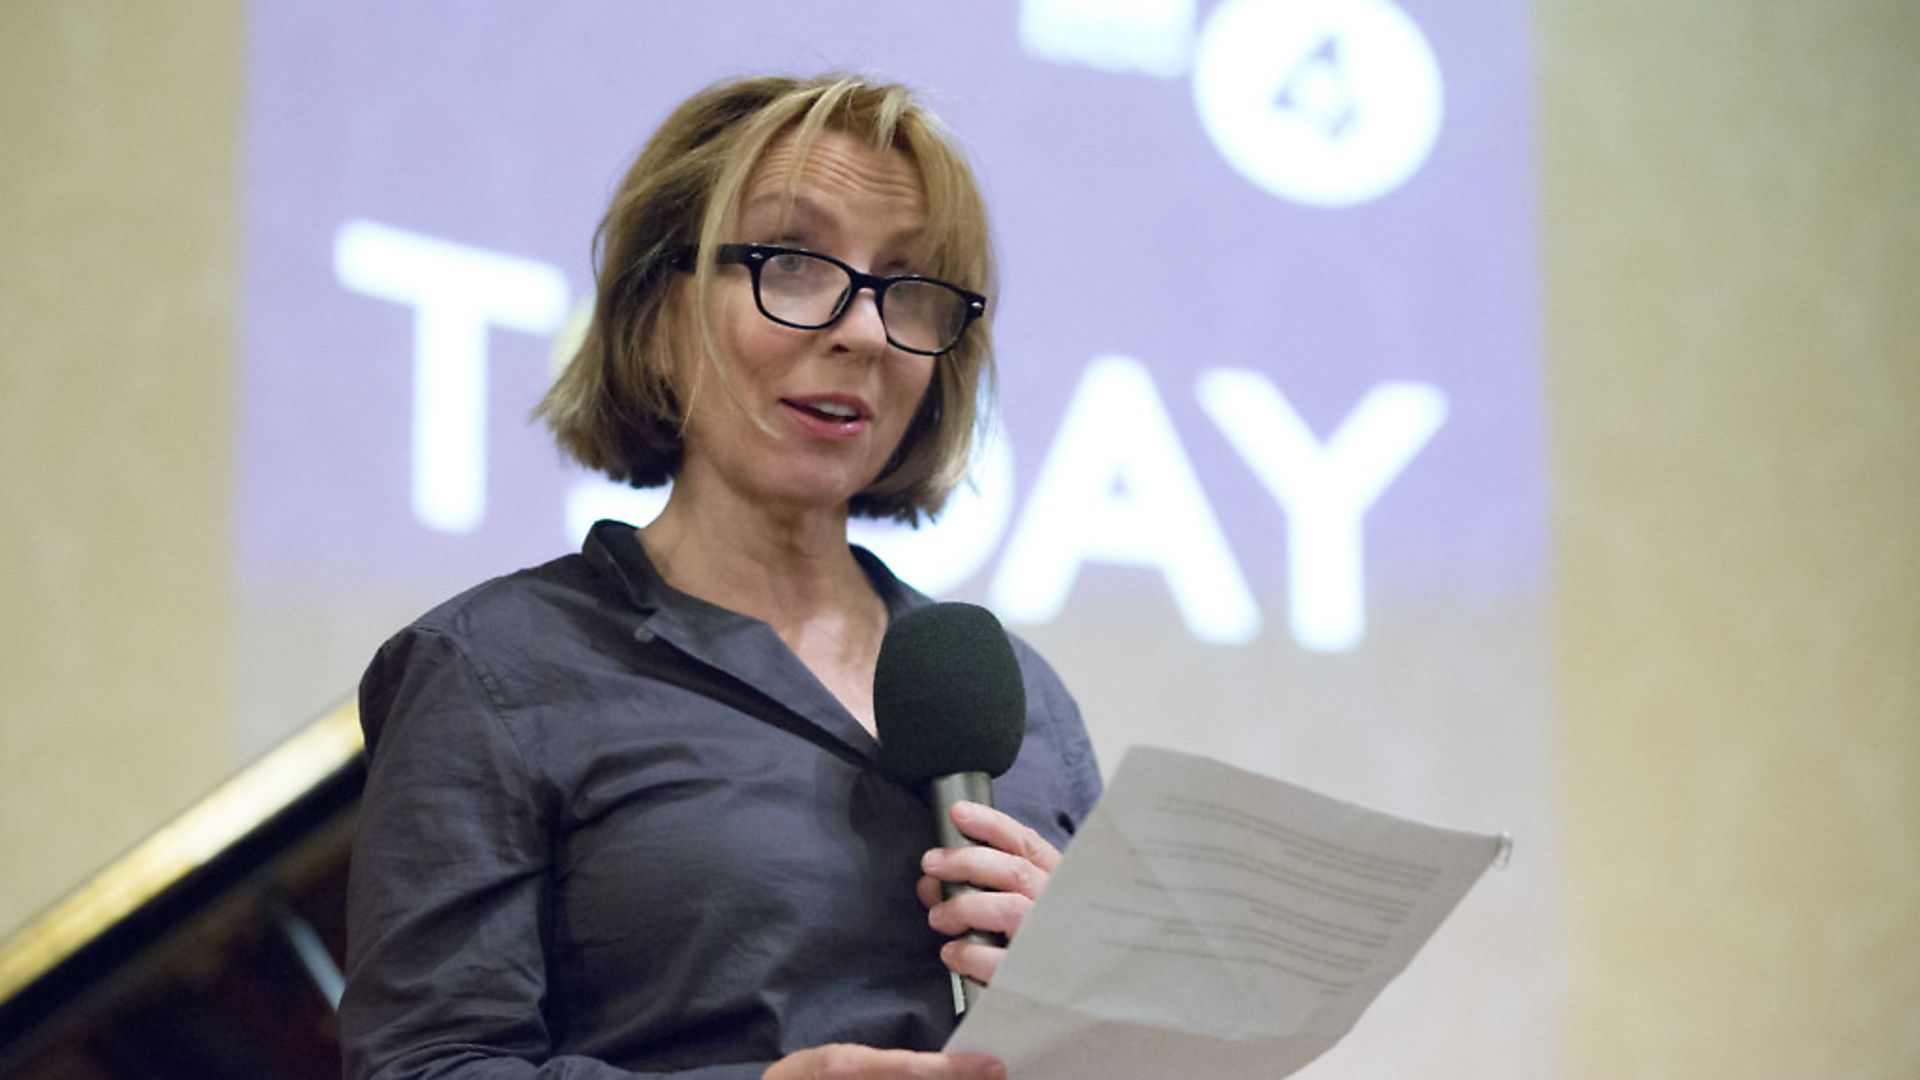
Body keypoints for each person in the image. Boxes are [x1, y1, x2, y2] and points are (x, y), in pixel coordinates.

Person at [339, 73, 1102, 1079]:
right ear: (658, 317)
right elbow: (423, 1066)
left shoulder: (1017, 694)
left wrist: (1100, 995)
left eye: (909, 285)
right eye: (794, 263)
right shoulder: (495, 671)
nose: (865, 331)